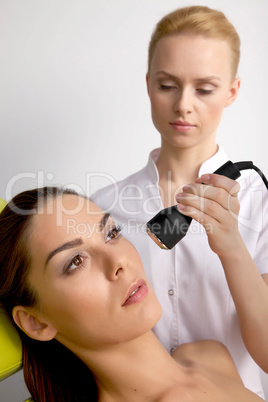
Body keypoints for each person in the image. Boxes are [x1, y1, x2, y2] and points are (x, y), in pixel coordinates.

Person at [91, 5, 268, 398]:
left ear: (231, 92)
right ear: (149, 82)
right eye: (168, 85)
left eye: (204, 89)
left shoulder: (261, 206)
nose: (183, 105)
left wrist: (232, 248)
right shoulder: (101, 208)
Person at [0, 187, 265, 401]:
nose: (118, 261)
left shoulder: (210, 357)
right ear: (36, 322)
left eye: (111, 233)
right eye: (76, 261)